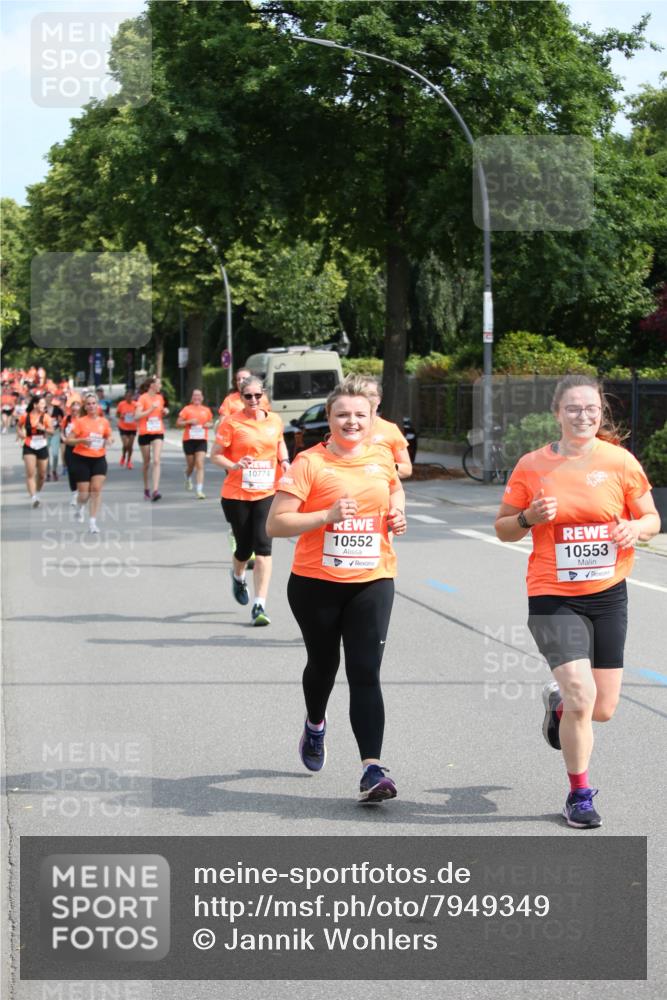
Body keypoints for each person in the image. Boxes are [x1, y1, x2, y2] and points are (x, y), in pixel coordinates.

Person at [494, 373, 660, 829]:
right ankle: (579, 794)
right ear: (557, 413)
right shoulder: (533, 465)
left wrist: (635, 530)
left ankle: (559, 706)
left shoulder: (620, 462)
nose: (582, 415)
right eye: (573, 408)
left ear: (601, 412)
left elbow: (651, 518)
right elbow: (503, 527)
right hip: (552, 595)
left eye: (591, 408)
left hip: (608, 595)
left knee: (601, 708)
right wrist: (528, 517)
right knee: (583, 695)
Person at [267, 376, 407, 803]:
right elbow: (276, 524)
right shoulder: (309, 463)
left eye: (359, 415)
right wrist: (326, 516)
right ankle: (314, 724)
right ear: (328, 418)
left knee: (365, 671)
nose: (351, 421)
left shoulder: (383, 456)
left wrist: (397, 513)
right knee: (323, 665)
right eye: (342, 414)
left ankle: (372, 769)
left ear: (372, 419)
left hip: (373, 579)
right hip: (315, 584)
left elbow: (396, 489)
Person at [210, 375, 288, 626]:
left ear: (263, 395)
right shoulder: (231, 423)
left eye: (257, 395)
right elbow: (215, 456)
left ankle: (259, 605)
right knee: (244, 548)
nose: (253, 400)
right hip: (236, 494)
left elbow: (279, 444)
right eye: (248, 396)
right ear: (240, 397)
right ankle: (237, 575)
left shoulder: (274, 420)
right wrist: (234, 464)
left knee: (264, 546)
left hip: (266, 492)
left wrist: (284, 462)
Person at [68, 392, 114, 534]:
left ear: (98, 405)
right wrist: (82, 441)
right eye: (88, 404)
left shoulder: (103, 421)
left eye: (94, 403)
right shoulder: (80, 422)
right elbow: (69, 440)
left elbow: (109, 435)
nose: (91, 406)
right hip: (81, 459)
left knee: (96, 489)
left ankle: (92, 523)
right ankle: (80, 506)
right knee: (84, 494)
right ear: (85, 407)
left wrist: (110, 440)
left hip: (99, 458)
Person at [358, 375, 413, 479]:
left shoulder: (390, 429)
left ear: (379, 399)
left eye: (371, 394)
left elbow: (407, 469)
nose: (367, 398)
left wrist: (382, 467)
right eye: (362, 394)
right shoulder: (346, 429)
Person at [135, 376, 168, 501]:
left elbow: (159, 412)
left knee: (156, 460)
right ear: (152, 385)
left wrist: (164, 411)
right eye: (159, 384)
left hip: (157, 431)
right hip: (144, 433)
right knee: (147, 462)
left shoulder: (160, 398)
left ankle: (155, 490)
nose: (160, 386)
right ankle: (146, 488)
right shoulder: (142, 398)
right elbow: (137, 416)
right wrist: (150, 409)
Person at [177, 389, 214, 499]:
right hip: (189, 440)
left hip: (201, 440)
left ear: (202, 397)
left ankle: (199, 491)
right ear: (192, 398)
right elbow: (178, 423)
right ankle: (187, 476)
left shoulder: (206, 410)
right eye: (195, 395)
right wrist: (188, 422)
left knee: (200, 464)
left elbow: (211, 423)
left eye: (199, 395)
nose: (197, 397)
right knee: (191, 465)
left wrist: (209, 425)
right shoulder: (187, 409)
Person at [17, 395, 53, 507]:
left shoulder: (46, 417)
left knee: (42, 475)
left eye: (44, 404)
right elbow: (19, 427)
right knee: (30, 472)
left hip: (42, 445)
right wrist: (21, 434)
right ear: (35, 405)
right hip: (29, 445)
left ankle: (36, 492)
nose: (44, 406)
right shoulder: (25, 416)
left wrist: (44, 429)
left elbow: (52, 431)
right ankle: (33, 497)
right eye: (42, 403)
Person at [61, 399, 83, 505]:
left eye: (77, 407)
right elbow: (62, 431)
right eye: (73, 408)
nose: (74, 410)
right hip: (70, 447)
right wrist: (64, 439)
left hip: (81, 447)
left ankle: (82, 491)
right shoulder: (67, 419)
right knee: (71, 471)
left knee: (81, 470)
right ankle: (74, 493)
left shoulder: (84, 419)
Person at [43, 392, 65, 482]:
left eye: (51, 397)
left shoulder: (57, 408)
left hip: (55, 432)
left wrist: (61, 426)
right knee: (46, 454)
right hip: (45, 433)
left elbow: (63, 419)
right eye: (47, 397)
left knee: (55, 454)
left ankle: (54, 470)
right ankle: (47, 473)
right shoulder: (42, 409)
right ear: (44, 398)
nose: (49, 398)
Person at [115, 388, 138, 468]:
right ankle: (124, 456)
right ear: (125, 397)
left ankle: (129, 461)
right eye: (127, 396)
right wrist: (121, 416)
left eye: (131, 396)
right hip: (123, 427)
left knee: (130, 446)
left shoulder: (136, 404)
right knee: (125, 445)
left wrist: (136, 416)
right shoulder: (121, 404)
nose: (129, 398)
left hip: (133, 427)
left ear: (133, 397)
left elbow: (139, 414)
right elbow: (117, 414)